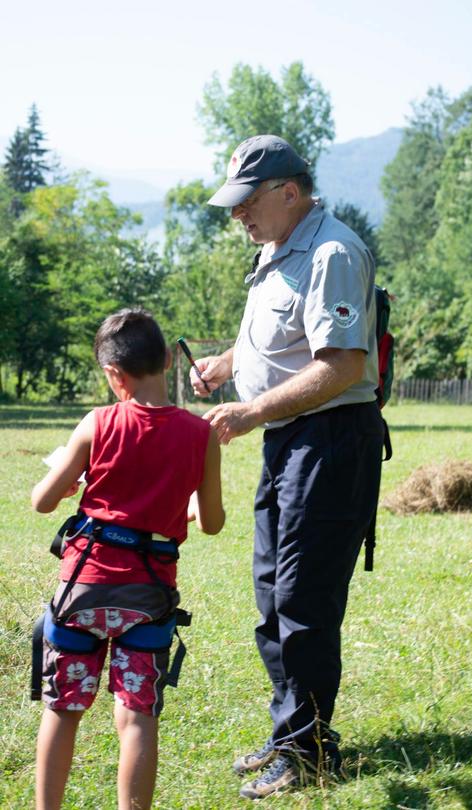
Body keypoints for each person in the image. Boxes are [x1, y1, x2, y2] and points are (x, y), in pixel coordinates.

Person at [190, 135, 384, 800]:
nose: (238, 215)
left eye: (248, 202)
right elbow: (284, 342)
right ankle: (292, 734)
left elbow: (341, 367)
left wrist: (248, 413)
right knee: (273, 595)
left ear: (290, 192)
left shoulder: (331, 251)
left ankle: (305, 754)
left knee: (302, 601)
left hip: (329, 442)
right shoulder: (277, 250)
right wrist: (226, 366)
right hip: (290, 442)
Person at [31, 308, 225, 810]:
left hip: (82, 592)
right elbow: (212, 522)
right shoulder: (200, 435)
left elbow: (42, 501)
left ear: (113, 375)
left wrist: (75, 478)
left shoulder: (97, 423)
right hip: (149, 598)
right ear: (167, 358)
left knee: (63, 708)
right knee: (137, 715)